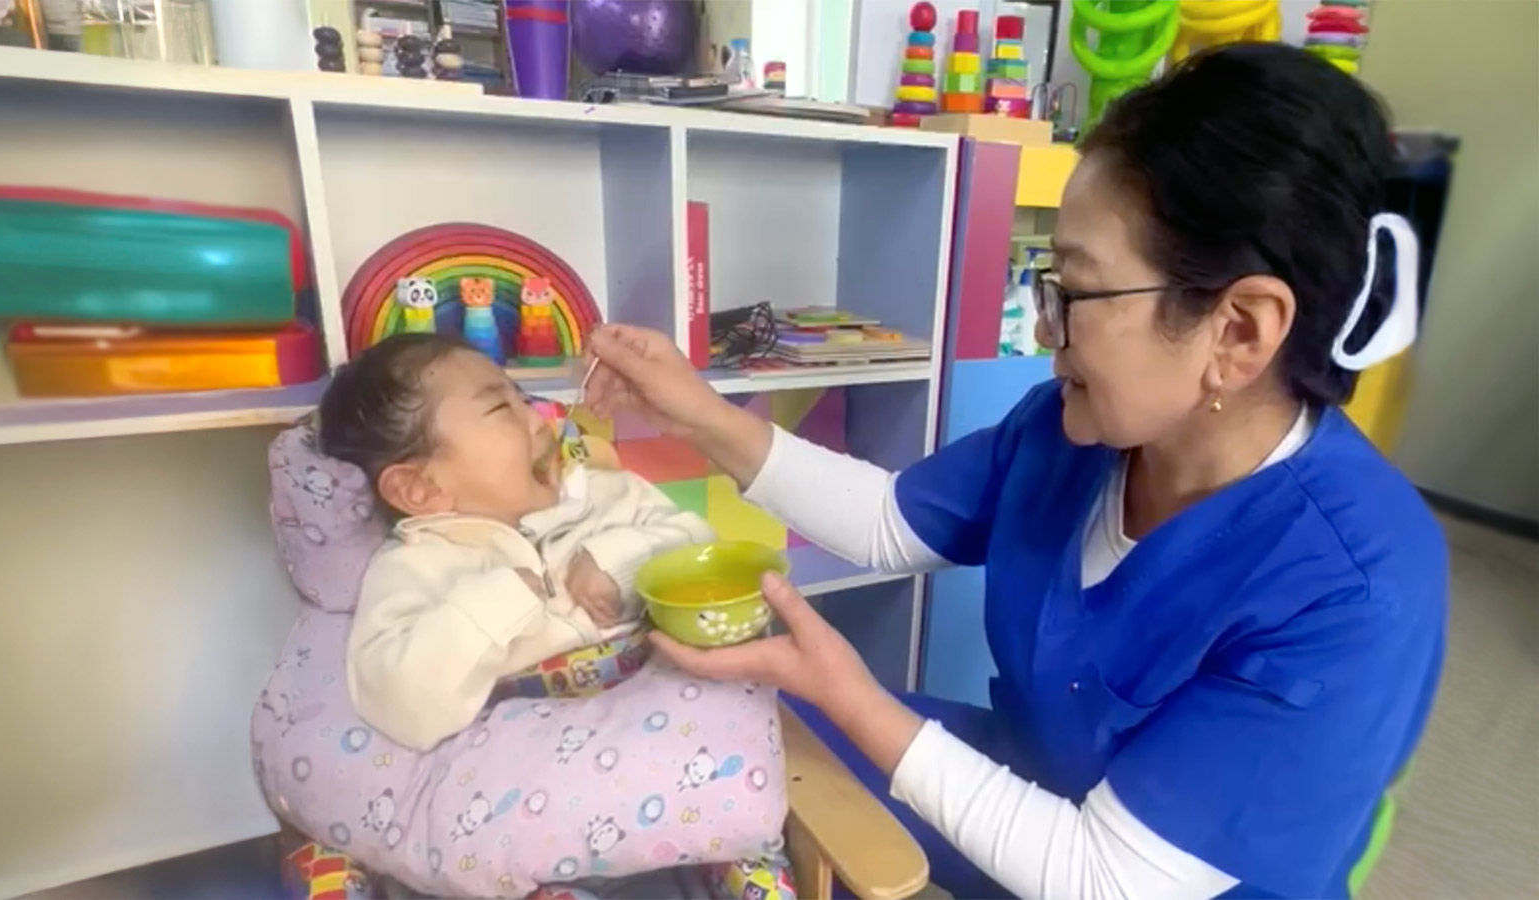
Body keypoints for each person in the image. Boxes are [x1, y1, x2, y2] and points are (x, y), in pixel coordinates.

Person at [584, 44, 1446, 900]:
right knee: (745, 726)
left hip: (1132, 877)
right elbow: (890, 521)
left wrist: (853, 697)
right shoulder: (1075, 434)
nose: (1042, 330)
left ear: (1239, 331)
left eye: (1073, 292)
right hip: (1038, 788)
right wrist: (692, 409)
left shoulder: (1355, 588)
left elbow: (1103, 877)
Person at [317, 333, 712, 751]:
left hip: (660, 733)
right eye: (502, 407)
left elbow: (702, 546)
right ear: (420, 489)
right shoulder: (413, 568)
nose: (540, 419)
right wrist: (500, 602)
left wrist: (622, 563)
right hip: (529, 769)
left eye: (524, 400)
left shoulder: (604, 494)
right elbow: (399, 703)